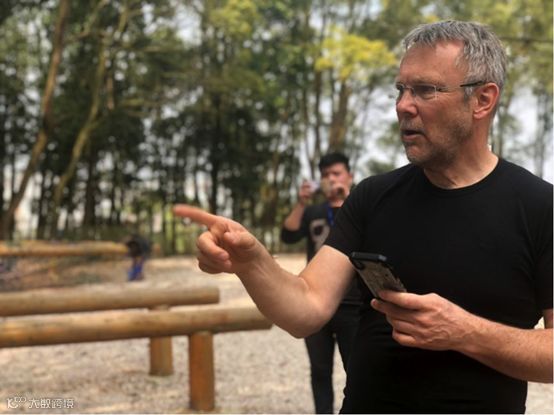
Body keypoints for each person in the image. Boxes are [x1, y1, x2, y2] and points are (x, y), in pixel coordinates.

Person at [173, 20, 553, 413]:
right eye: (401, 89)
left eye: (425, 89)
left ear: (482, 100)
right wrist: (251, 262)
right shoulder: (373, 196)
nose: (403, 105)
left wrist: (464, 332)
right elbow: (307, 309)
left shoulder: (541, 208)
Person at [281, 152, 361, 414]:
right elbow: (288, 235)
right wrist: (301, 202)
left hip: (353, 303)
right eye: (326, 175)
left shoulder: (361, 206)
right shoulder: (313, 211)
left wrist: (348, 199)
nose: (331, 179)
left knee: (358, 371)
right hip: (315, 300)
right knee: (319, 370)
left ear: (349, 176)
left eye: (337, 173)